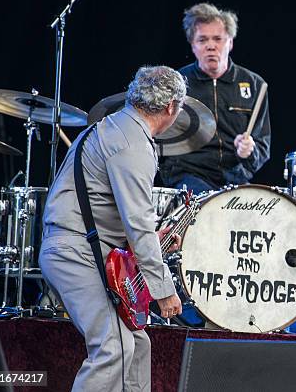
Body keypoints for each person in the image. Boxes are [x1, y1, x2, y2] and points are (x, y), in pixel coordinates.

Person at [39, 66, 186, 391]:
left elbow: (106, 210)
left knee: (137, 347)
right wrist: (164, 289)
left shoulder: (111, 128)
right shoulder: (132, 143)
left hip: (73, 248)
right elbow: (138, 225)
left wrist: (149, 242)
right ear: (172, 107)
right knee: (113, 348)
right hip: (74, 254)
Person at [159, 2, 271, 194]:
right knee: (209, 211)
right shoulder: (176, 84)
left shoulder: (254, 84)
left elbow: (263, 144)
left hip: (235, 178)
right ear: (192, 45)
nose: (211, 46)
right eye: (202, 40)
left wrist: (250, 152)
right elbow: (160, 140)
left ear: (230, 42)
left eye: (218, 39)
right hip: (190, 176)